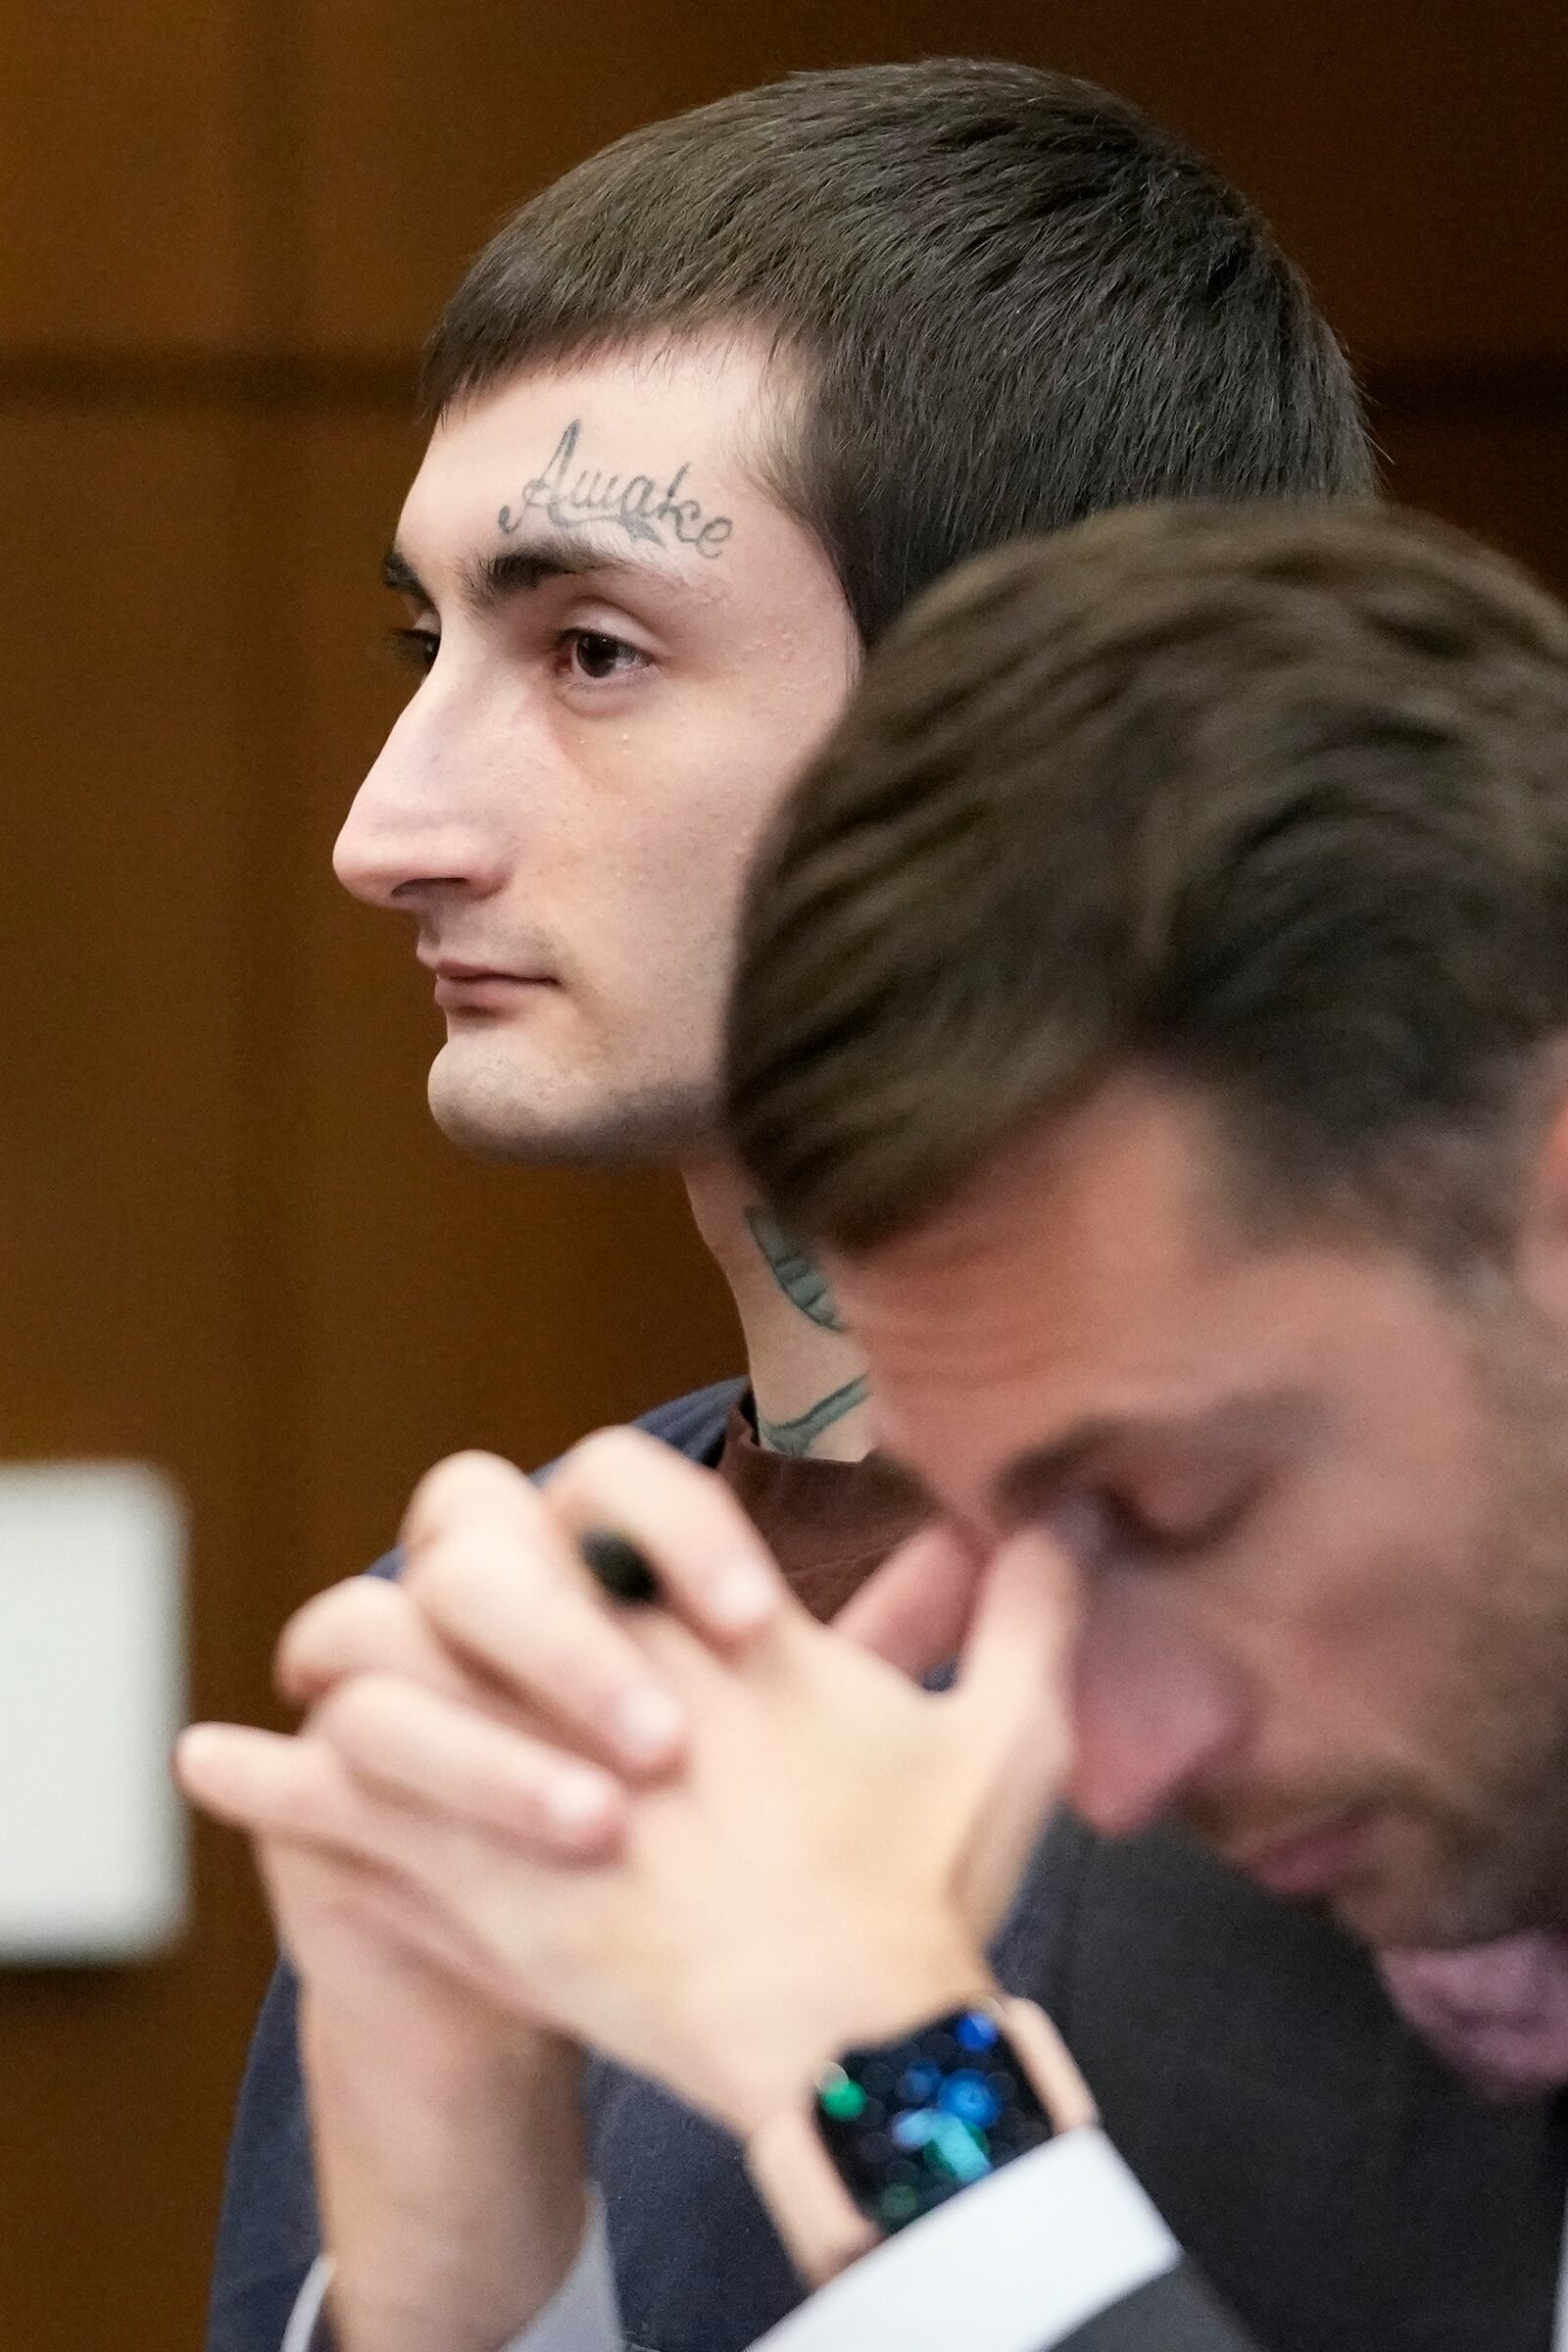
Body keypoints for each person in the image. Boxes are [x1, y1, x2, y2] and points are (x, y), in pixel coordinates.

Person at [196, 57, 1557, 2352]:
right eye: (424, 647)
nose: (385, 826)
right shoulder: (520, 1610)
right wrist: (448, 2278)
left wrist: (889, 2086)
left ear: (1015, 706)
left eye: (589, 653)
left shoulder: (1411, 1699)